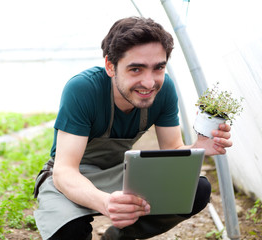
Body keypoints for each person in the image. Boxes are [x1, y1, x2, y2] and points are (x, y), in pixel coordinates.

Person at [33, 16, 232, 240]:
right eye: (136, 69)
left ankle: (120, 236)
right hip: (72, 175)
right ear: (110, 66)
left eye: (158, 68)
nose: (149, 83)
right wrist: (107, 203)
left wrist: (198, 148)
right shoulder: (83, 89)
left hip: (120, 171)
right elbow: (64, 171)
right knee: (68, 231)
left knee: (195, 189)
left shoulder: (164, 89)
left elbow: (172, 150)